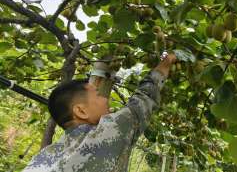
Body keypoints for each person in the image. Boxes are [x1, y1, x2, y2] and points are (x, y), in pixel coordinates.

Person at [22, 53, 177, 172]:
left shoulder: (44, 156)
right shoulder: (108, 130)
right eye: (99, 94)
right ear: (81, 111)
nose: (105, 99)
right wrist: (167, 61)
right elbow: (145, 98)